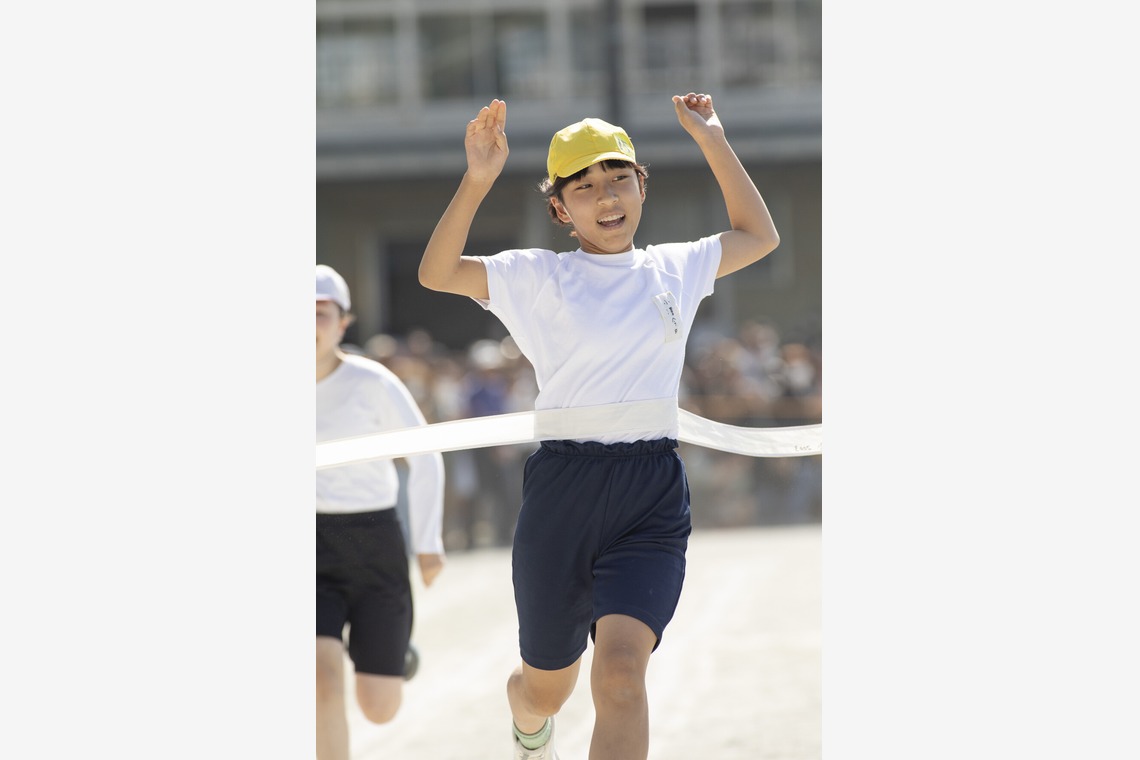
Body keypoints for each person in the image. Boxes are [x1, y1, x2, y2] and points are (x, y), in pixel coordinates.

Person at [419, 93, 780, 759]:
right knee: (547, 690)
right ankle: (530, 725)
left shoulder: (675, 266)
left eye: (619, 180)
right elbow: (437, 272)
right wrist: (477, 180)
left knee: (620, 676)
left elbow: (760, 236)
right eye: (583, 187)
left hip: (650, 492)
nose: (605, 197)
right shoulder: (537, 276)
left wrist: (714, 141)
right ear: (559, 209)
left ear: (642, 186)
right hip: (563, 491)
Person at [315, 264, 446, 760]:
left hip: (374, 543)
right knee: (322, 679)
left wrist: (428, 543)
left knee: (378, 707)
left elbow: (426, 455)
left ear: (344, 322)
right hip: (310, 546)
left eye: (321, 313)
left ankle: (388, 655)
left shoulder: (373, 382)